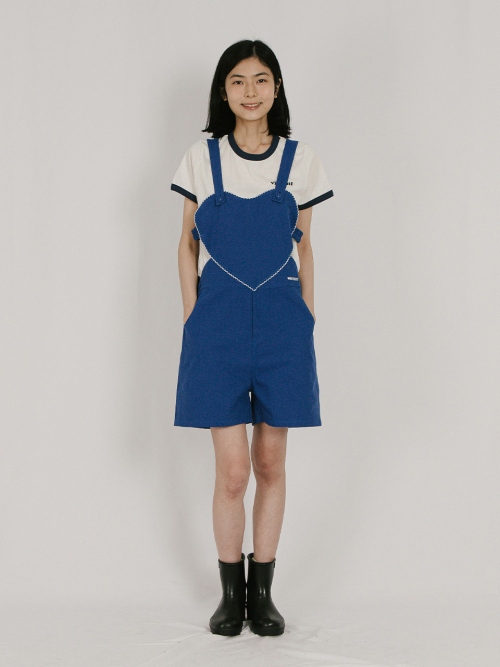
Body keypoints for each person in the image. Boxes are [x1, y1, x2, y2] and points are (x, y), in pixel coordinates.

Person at [170, 39, 333, 636]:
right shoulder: (202, 158)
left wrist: (306, 315)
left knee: (270, 462)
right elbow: (186, 243)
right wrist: (193, 316)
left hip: (284, 325)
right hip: (216, 325)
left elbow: (305, 246)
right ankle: (229, 594)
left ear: (276, 88)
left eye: (261, 80)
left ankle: (262, 593)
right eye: (238, 80)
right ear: (223, 91)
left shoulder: (300, 159)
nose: (250, 91)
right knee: (233, 471)